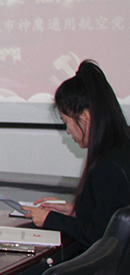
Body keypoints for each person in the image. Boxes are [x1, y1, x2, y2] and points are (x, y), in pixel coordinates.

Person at [22, 60, 130, 247]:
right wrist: (74, 212)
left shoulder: (108, 166)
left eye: (66, 122)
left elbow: (102, 237)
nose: (68, 131)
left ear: (85, 117)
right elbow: (110, 217)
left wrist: (50, 220)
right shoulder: (121, 148)